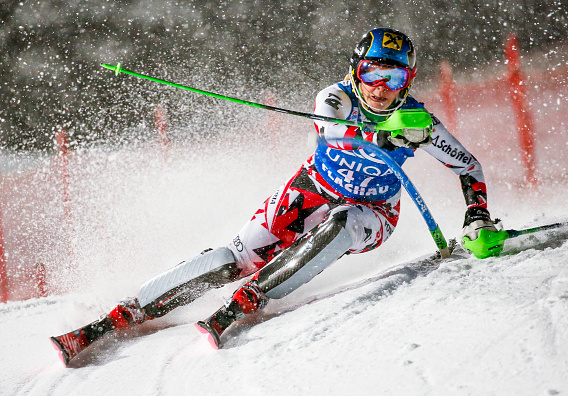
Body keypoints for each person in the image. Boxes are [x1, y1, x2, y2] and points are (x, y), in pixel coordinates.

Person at [51, 27, 506, 362]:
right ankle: (118, 315)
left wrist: (477, 216)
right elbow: (331, 129)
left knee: (343, 223)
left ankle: (249, 299)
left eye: (394, 77)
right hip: (310, 190)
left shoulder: (419, 121)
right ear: (355, 70)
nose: (381, 88)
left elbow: (469, 166)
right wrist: (388, 130)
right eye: (372, 73)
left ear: (408, 79)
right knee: (235, 256)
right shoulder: (336, 96)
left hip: (373, 211)